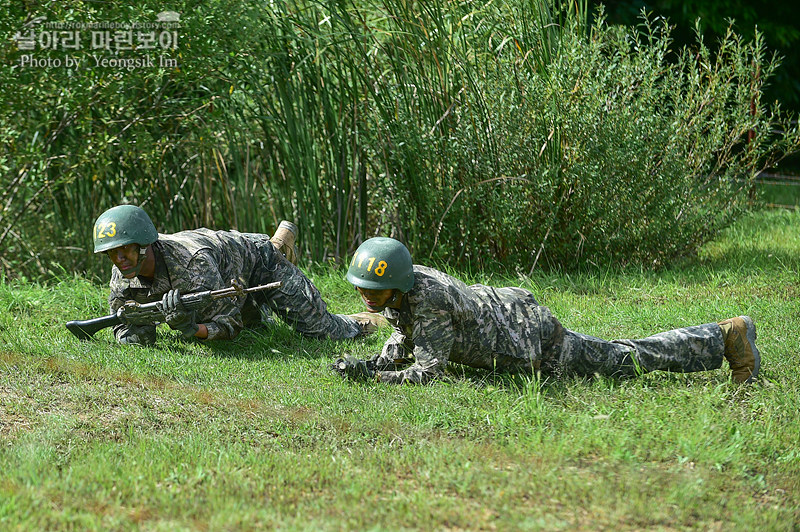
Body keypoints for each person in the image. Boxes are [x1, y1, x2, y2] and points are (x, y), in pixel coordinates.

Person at [334, 237, 761, 385]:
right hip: (511, 313)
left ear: (400, 284)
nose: (368, 298)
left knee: (623, 360)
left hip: (535, 341)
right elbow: (405, 335)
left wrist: (376, 376)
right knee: (620, 357)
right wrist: (374, 363)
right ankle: (723, 337)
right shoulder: (403, 288)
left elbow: (428, 372)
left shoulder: (427, 298)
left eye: (377, 290)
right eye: (363, 289)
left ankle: (726, 336)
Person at [92, 204, 384, 345]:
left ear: (144, 246)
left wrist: (191, 328)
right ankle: (258, 304)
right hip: (226, 271)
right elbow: (124, 322)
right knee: (258, 329)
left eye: (126, 250)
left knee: (323, 332)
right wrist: (132, 330)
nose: (119, 259)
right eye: (111, 253)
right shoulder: (123, 275)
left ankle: (363, 319)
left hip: (258, 261)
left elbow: (229, 325)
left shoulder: (193, 265)